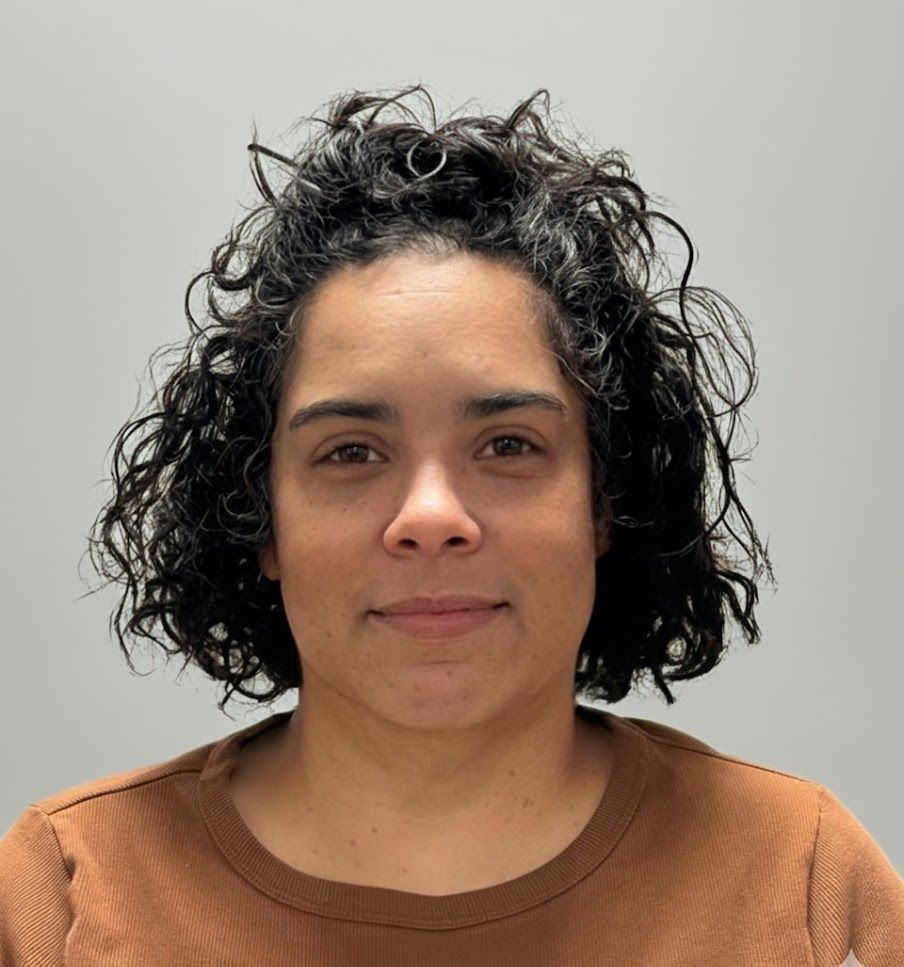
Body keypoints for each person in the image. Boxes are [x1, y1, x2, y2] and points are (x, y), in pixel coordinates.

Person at [1, 84, 901, 966]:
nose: (431, 518)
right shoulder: (66, 896)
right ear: (259, 516)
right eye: (351, 452)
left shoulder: (805, 886)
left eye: (509, 444)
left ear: (605, 500)